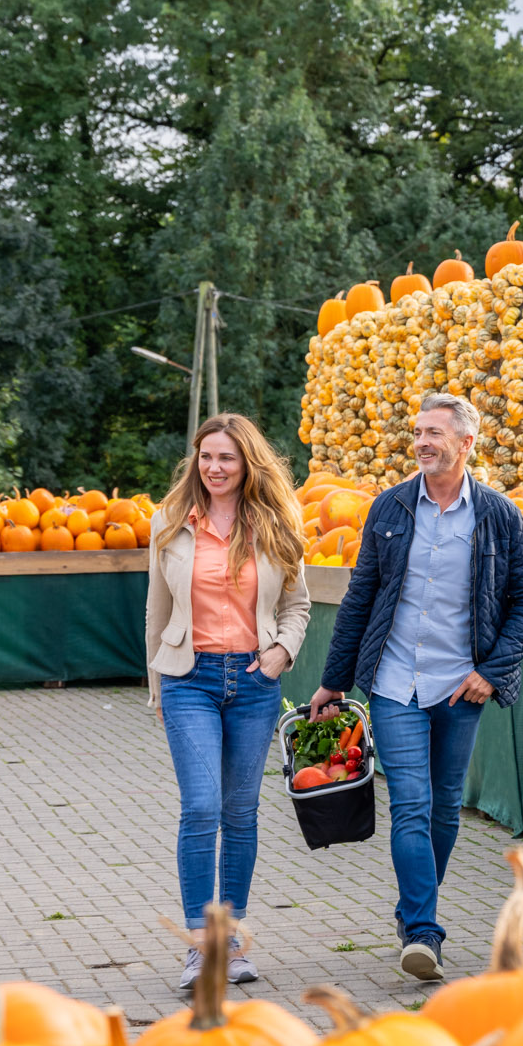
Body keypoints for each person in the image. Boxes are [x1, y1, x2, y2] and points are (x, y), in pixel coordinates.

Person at [310, 392, 523, 980]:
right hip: (395, 683)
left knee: (446, 810)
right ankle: (423, 932)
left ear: (467, 444)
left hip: (460, 688)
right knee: (411, 805)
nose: (422, 441)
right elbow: (360, 599)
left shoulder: (497, 514)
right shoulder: (390, 509)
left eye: (435, 433)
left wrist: (492, 672)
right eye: (418, 431)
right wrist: (333, 682)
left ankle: (409, 908)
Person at [147, 412, 311, 993]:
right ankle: (200, 948)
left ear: (247, 464)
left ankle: (233, 939)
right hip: (189, 678)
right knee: (201, 807)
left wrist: (279, 656)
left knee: (240, 814)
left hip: (253, 682)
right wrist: (157, 686)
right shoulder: (168, 521)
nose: (214, 467)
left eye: (227, 458)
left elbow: (297, 607)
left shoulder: (275, 523)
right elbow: (157, 611)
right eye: (206, 456)